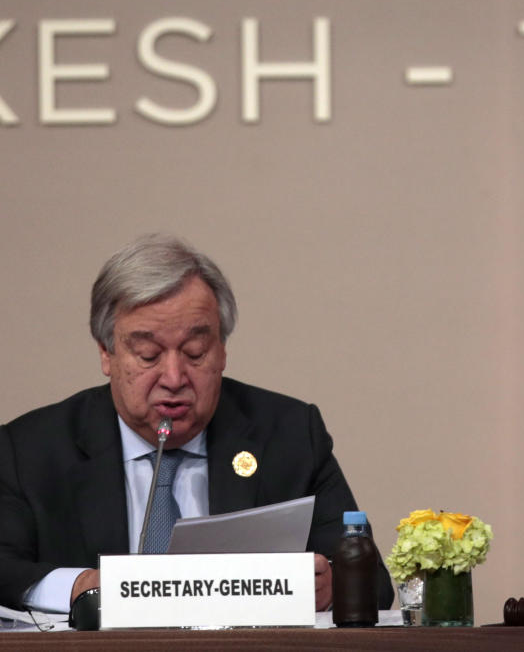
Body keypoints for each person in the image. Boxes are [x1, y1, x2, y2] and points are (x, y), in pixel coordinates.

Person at [0, 234, 393, 615]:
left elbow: (372, 581)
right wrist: (79, 586)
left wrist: (330, 586)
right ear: (107, 354)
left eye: (195, 352)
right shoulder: (32, 450)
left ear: (222, 349)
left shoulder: (288, 435)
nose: (174, 377)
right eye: (149, 355)